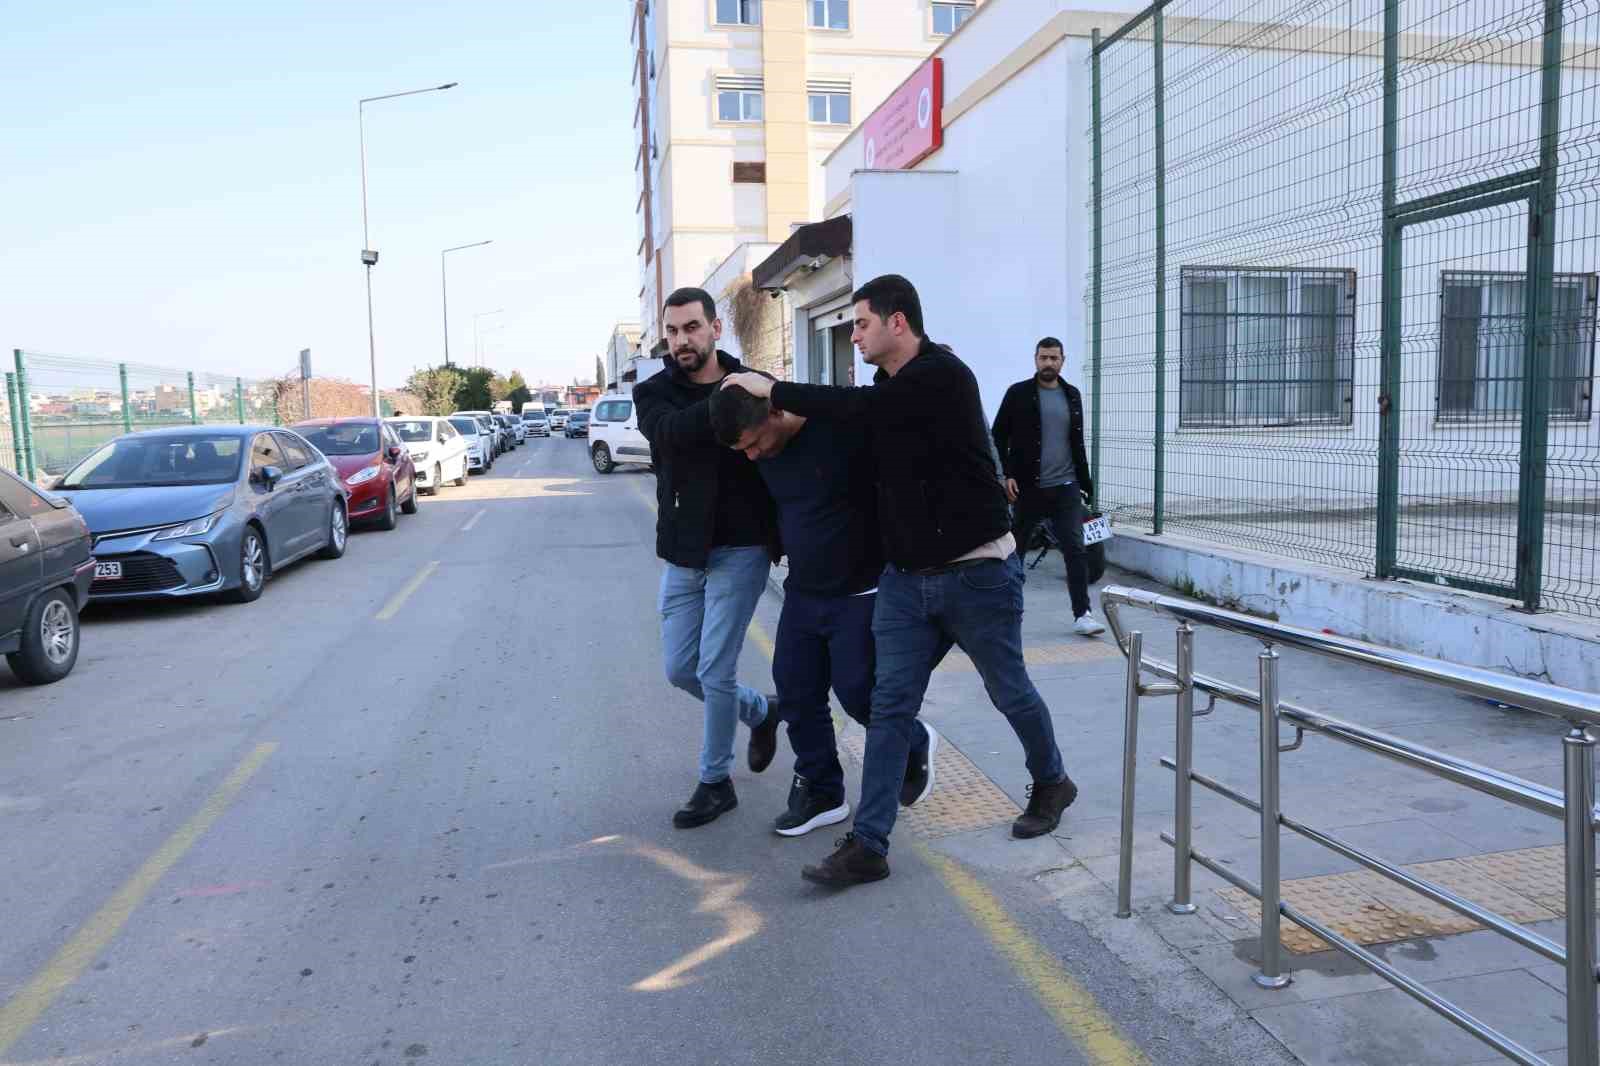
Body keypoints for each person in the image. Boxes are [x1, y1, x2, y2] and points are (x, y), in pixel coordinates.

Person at [724, 275, 1078, 888]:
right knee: (887, 707)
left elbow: (864, 410)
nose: (854, 334)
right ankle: (869, 844)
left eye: (861, 323)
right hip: (907, 584)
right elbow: (855, 425)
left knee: (1009, 690)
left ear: (898, 321)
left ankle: (1052, 781)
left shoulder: (944, 376)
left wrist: (773, 388)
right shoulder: (888, 389)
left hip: (978, 574)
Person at [708, 381, 937, 838]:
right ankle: (822, 790)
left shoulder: (839, 430)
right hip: (803, 590)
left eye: (754, 444)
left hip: (863, 589)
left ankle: (913, 740)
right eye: (743, 450)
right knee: (795, 690)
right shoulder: (761, 450)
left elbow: (888, 418)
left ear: (776, 412)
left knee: (859, 693)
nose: (751, 456)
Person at [634, 287, 783, 829]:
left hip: (742, 548)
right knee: (681, 670)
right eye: (672, 331)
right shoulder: (653, 393)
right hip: (684, 552)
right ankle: (762, 711)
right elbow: (669, 435)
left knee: (715, 669)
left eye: (692, 327)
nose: (682, 340)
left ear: (716, 329)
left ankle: (715, 782)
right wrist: (730, 400)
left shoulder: (754, 382)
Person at [991, 338, 1106, 636]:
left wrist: (1084, 481)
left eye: (1054, 358)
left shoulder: (1072, 395)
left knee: (1075, 549)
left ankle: (1083, 614)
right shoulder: (1018, 393)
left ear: (1062, 361)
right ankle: (1006, 611)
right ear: (1035, 359)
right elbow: (998, 435)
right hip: (1028, 487)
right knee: (1015, 550)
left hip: (1066, 485)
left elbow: (1076, 441)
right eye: (1043, 358)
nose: (1048, 363)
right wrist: (1006, 475)